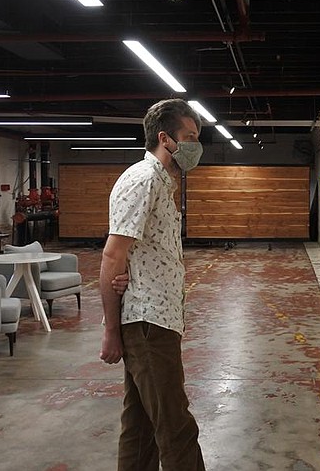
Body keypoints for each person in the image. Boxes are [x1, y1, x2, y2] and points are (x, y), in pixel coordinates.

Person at [99, 98, 206, 471]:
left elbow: (137, 253)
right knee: (176, 427)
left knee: (142, 426)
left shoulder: (162, 183)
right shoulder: (144, 180)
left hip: (158, 319)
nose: (196, 145)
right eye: (189, 136)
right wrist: (112, 331)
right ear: (166, 139)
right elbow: (112, 256)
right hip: (148, 324)